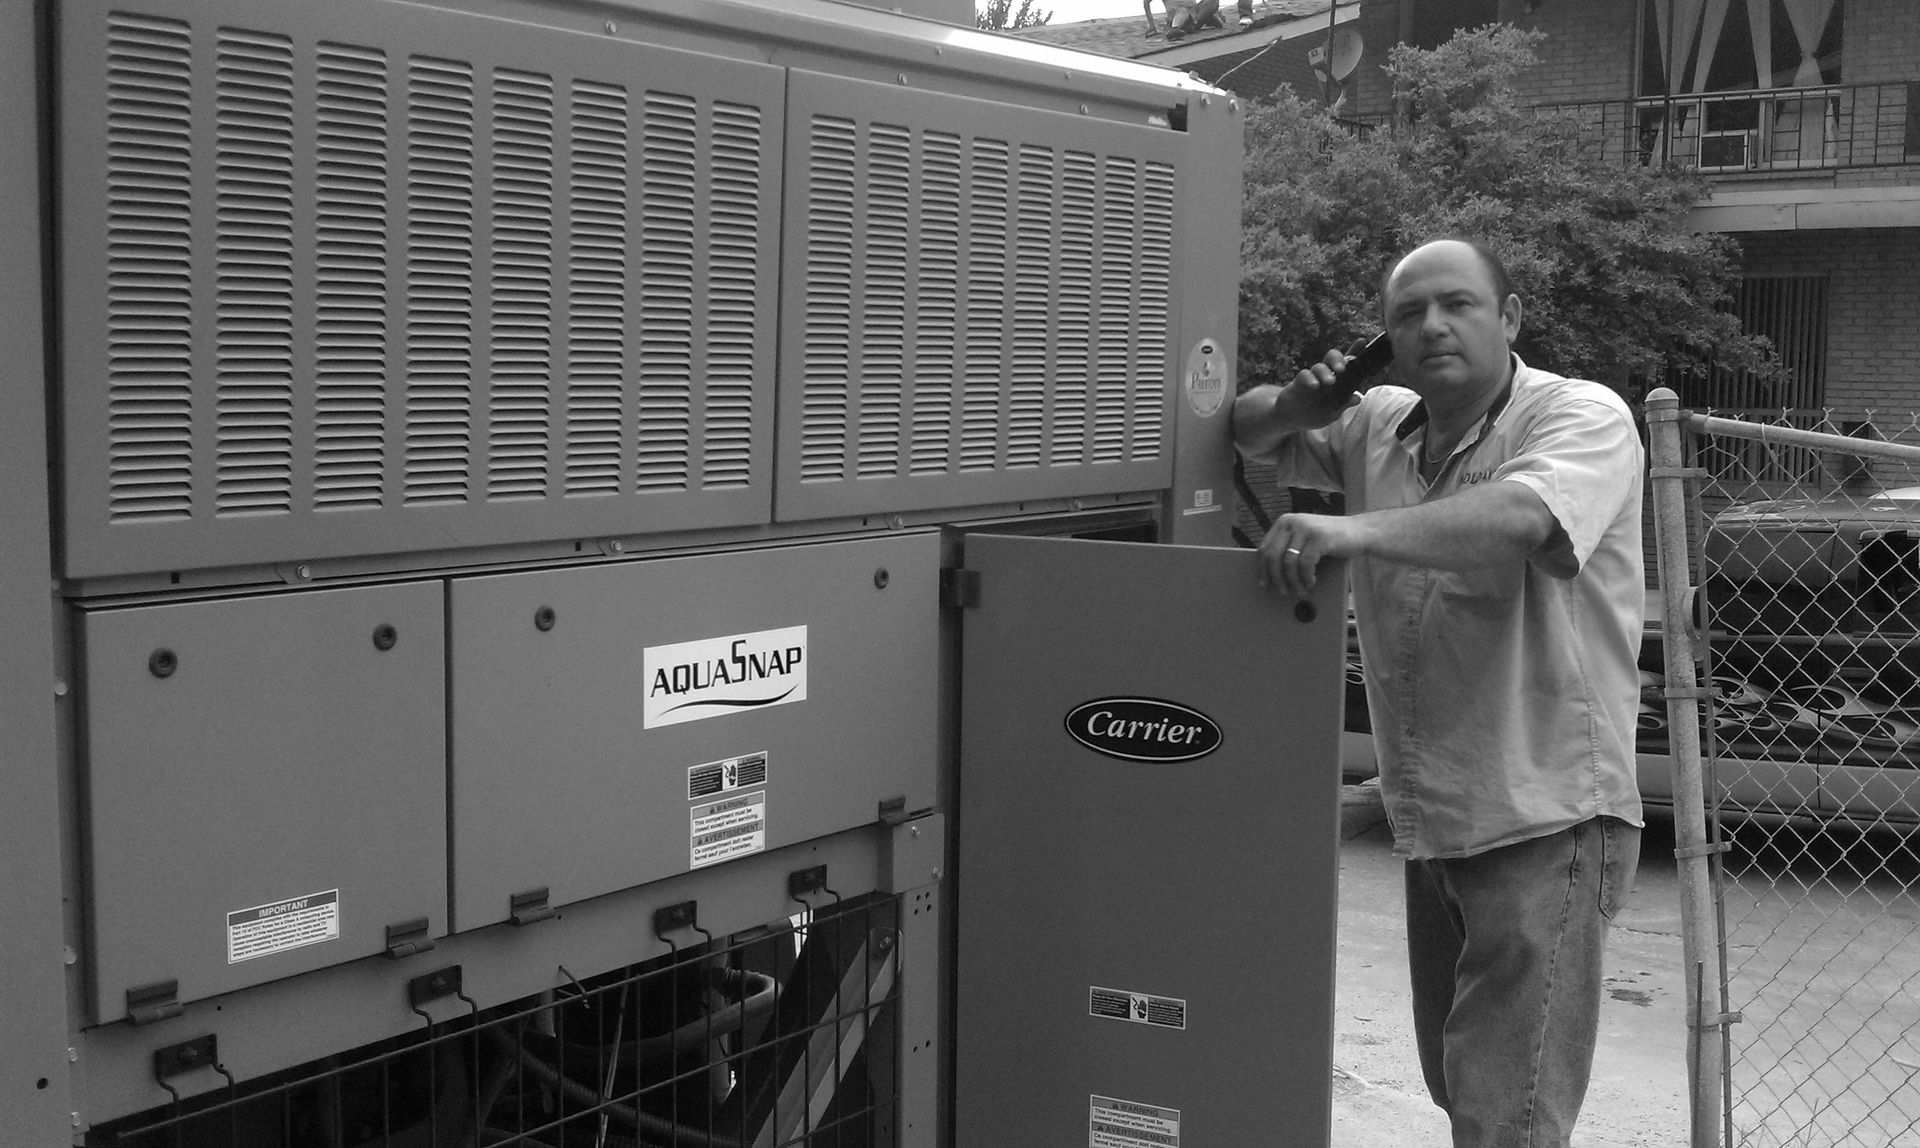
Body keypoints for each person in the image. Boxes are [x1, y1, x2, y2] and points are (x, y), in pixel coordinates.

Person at [1231, 238, 1646, 1148]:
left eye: (1457, 304)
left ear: (1512, 316)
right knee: (1463, 1091)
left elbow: (1523, 520)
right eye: (1407, 315)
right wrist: (1303, 402)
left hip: (1548, 817)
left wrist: (1353, 531)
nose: (1431, 326)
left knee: (1509, 1115)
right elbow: (1244, 428)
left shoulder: (1580, 416)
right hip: (1438, 817)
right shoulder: (1378, 420)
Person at [1143, 0, 1254, 39]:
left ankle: (1204, 18)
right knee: (1183, 11)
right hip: (1178, 19)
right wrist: (1151, 24)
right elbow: (1146, 2)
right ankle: (1174, 30)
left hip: (1194, 15)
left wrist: (1215, 10)